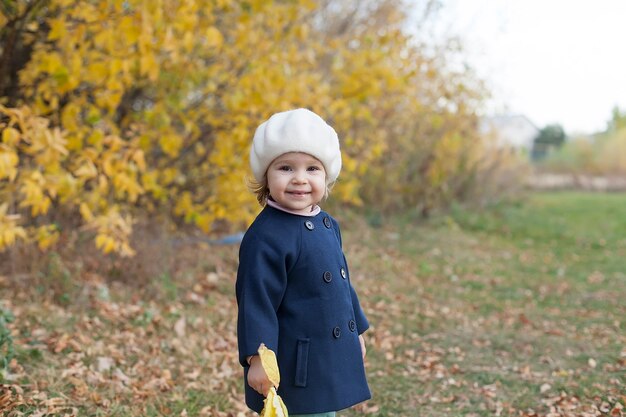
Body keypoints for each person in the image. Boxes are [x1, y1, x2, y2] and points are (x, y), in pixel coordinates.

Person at [236, 108, 371, 416]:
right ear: (266, 177)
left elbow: (342, 285)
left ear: (326, 177)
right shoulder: (266, 236)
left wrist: (356, 333)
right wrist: (258, 358)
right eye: (285, 167)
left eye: (312, 169)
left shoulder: (328, 224)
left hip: (329, 352)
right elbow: (256, 302)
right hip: (295, 362)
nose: (299, 179)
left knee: (326, 411)